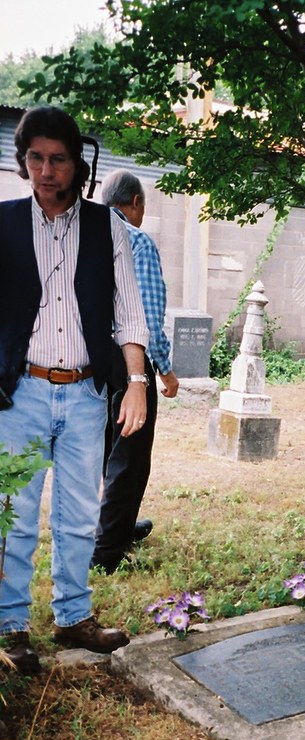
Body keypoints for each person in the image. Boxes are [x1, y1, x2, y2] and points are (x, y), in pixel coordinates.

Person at [0, 106, 149, 674]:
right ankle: (10, 626)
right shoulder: (4, 222)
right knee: (14, 514)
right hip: (21, 394)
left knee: (79, 512)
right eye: (35, 158)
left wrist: (136, 384)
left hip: (86, 394)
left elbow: (129, 311)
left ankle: (72, 616)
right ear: (23, 162)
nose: (46, 170)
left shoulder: (107, 226)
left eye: (57, 159)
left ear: (76, 164)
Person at [91, 169, 179, 574]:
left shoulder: (83, 236)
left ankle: (118, 525)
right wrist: (165, 370)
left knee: (105, 449)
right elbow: (145, 314)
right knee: (130, 455)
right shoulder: (136, 240)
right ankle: (106, 552)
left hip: (85, 360)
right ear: (136, 203)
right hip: (126, 360)